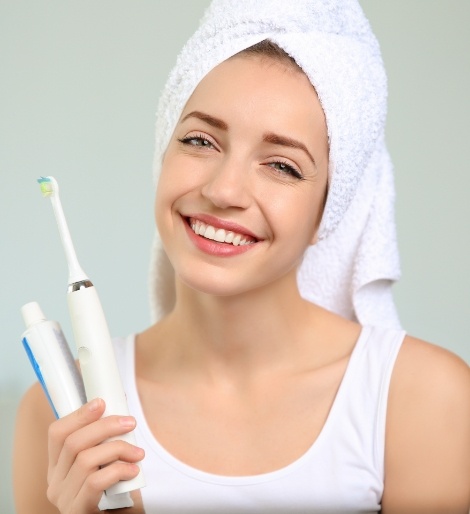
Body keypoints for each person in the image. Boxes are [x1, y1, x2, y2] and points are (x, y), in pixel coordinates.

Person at [13, 1, 470, 513]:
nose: (224, 189)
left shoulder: (425, 400)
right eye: (200, 140)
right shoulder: (61, 413)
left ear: (329, 211)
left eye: (281, 166)